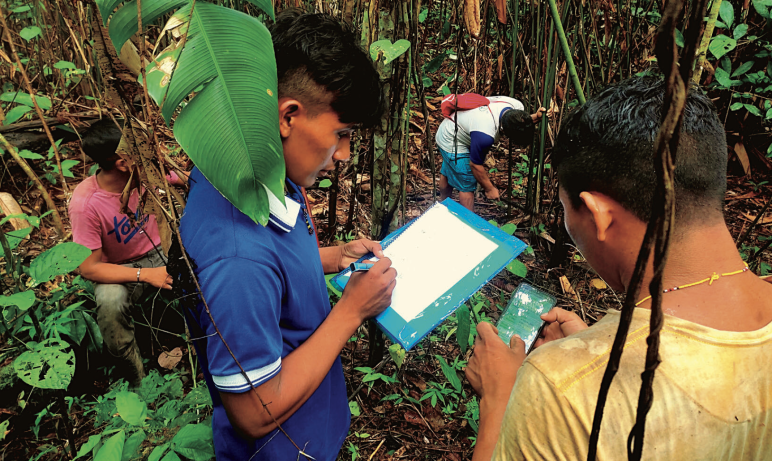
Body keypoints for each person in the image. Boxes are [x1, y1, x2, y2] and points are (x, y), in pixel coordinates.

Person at [465, 77, 772, 460]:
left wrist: (501, 397)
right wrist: (592, 349)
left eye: (564, 210)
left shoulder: (558, 390)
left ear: (598, 215)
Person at [179, 11, 397, 461]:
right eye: (341, 134)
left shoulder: (255, 173)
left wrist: (333, 256)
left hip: (311, 426)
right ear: (288, 116)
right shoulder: (237, 258)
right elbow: (254, 411)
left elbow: (274, 268)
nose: (344, 155)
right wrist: (351, 311)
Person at [70, 119, 181, 387]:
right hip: (124, 269)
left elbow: (184, 178)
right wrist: (145, 274)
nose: (149, 151)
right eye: (140, 147)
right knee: (110, 302)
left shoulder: (145, 171)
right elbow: (88, 268)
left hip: (164, 249)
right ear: (123, 162)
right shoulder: (86, 204)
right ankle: (138, 380)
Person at [435, 96, 545, 211]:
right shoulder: (485, 135)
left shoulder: (515, 106)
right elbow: (475, 165)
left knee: (450, 168)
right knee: (467, 180)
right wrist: (489, 188)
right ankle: (468, 222)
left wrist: (535, 117)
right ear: (503, 131)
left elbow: (520, 122)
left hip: (460, 126)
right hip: (450, 138)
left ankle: (442, 206)